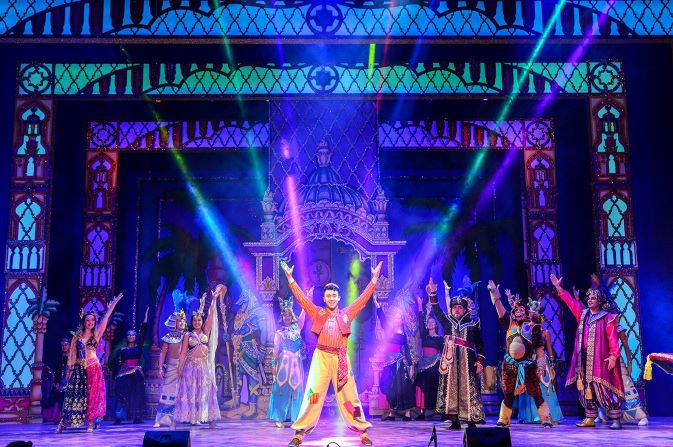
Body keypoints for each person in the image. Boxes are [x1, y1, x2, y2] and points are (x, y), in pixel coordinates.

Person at [281, 259, 382, 447]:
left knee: (350, 397)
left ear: (339, 297)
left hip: (341, 358)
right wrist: (290, 279)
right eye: (328, 296)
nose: (332, 298)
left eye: (334, 295)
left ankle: (362, 431)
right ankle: (300, 433)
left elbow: (362, 300)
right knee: (313, 394)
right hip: (321, 357)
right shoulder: (317, 312)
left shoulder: (347, 313)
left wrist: (374, 280)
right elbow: (302, 300)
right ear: (325, 298)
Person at [551, 273, 625, 429]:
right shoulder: (583, 314)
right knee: (586, 387)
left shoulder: (607, 317)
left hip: (601, 358)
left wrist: (613, 356)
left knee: (605, 387)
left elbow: (612, 338)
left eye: (593, 298)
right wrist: (559, 288)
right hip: (583, 358)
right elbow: (570, 302)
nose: (590, 300)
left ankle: (616, 419)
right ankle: (590, 417)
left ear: (599, 300)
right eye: (589, 298)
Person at [487, 281, 552, 429]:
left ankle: (546, 418)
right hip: (510, 365)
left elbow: (540, 349)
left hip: (528, 365)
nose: (518, 311)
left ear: (526, 311)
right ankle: (504, 418)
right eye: (516, 309)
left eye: (521, 309)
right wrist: (496, 297)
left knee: (536, 392)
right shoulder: (509, 323)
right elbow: (501, 311)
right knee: (508, 393)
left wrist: (541, 365)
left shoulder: (533, 327)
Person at [57, 293, 123, 433]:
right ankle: (64, 423)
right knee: (74, 394)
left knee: (92, 396)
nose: (90, 323)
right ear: (84, 321)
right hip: (79, 368)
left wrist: (113, 304)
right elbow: (72, 355)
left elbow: (105, 318)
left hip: (93, 367)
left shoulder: (97, 334)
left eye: (92, 320)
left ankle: (91, 423)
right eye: (88, 320)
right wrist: (69, 370)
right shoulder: (77, 336)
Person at [429, 278, 485, 429]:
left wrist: (480, 361)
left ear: (465, 310)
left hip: (468, 362)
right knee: (451, 389)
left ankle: (471, 420)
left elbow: (480, 344)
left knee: (469, 388)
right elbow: (437, 311)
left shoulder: (473, 323)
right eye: (455, 308)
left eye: (460, 308)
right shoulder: (448, 321)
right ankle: (454, 420)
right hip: (451, 360)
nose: (457, 310)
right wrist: (433, 293)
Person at [172, 284, 225, 429]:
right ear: (192, 322)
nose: (197, 322)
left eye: (199, 320)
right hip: (190, 366)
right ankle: (176, 421)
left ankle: (211, 420)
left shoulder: (205, 332)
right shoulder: (187, 335)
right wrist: (179, 368)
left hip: (203, 366)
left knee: (206, 392)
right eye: (194, 320)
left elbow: (211, 314)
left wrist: (213, 299)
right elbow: (183, 353)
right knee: (188, 393)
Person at [514, 299, 564, 424]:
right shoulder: (525, 329)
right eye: (531, 313)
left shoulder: (545, 332)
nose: (533, 315)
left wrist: (552, 363)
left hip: (542, 361)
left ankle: (549, 415)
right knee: (528, 386)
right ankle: (530, 415)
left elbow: (549, 348)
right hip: (528, 360)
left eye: (535, 313)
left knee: (544, 388)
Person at [374, 288, 420, 422]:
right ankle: (391, 412)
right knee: (389, 386)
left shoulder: (404, 335)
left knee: (404, 387)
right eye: (396, 318)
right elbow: (382, 318)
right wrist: (377, 304)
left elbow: (408, 349)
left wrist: (411, 365)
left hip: (401, 362)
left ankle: (407, 413)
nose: (397, 320)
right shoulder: (388, 330)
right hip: (389, 362)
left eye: (400, 318)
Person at [597, 324, 648, 426]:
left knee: (626, 386)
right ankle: (603, 414)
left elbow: (625, 346)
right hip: (602, 361)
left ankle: (641, 416)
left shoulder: (617, 327)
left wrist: (629, 363)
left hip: (616, 361)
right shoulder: (599, 325)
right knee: (603, 387)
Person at [268, 296, 307, 427]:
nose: (287, 317)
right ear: (282, 317)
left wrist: (306, 299)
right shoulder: (279, 333)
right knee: (281, 389)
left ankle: (297, 417)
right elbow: (275, 352)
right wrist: (273, 368)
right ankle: (278, 417)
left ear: (292, 316)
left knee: (297, 390)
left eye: (289, 315)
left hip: (296, 362)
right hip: (284, 363)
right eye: (284, 315)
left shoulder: (297, 328)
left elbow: (303, 315)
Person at [154, 304, 188, 427]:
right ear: (174, 322)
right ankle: (161, 419)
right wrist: (160, 367)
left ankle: (182, 418)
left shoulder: (187, 335)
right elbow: (163, 352)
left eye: (183, 320)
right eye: (179, 320)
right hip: (171, 366)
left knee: (183, 392)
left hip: (185, 366)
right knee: (167, 392)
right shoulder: (169, 336)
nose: (181, 322)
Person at [114, 306, 149, 424]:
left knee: (136, 394)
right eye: (129, 335)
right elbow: (119, 362)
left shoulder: (137, 347)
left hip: (136, 373)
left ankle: (137, 417)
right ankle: (119, 417)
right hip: (124, 372)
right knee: (121, 393)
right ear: (126, 337)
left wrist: (145, 319)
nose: (131, 337)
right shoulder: (122, 349)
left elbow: (143, 334)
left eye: (133, 335)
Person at [414, 296, 442, 421]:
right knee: (422, 385)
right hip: (424, 363)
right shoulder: (425, 336)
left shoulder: (439, 339)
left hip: (435, 364)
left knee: (435, 386)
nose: (430, 323)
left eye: (433, 322)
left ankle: (439, 410)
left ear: (435, 325)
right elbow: (420, 323)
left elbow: (444, 352)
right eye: (429, 322)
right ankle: (421, 411)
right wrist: (420, 306)